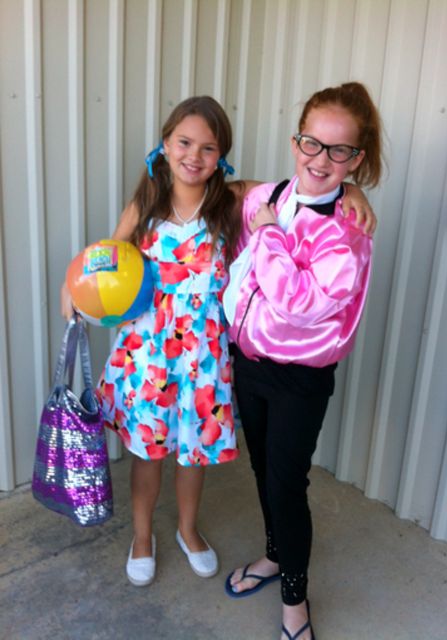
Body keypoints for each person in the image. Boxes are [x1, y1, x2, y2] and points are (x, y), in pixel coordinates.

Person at [60, 95, 376, 590]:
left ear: (221, 158)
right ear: (165, 145)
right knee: (148, 453)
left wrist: (352, 188)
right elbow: (107, 255)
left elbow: (302, 186)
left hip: (204, 356)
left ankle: (187, 529)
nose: (194, 156)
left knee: (195, 452)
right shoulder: (146, 204)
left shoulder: (230, 201)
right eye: (184, 143)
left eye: (208, 148)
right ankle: (141, 536)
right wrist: (72, 283)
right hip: (149, 354)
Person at [224, 82, 383, 640]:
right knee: (263, 471)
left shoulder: (349, 231)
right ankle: (274, 556)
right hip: (249, 362)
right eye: (312, 143)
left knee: (287, 485)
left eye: (339, 150)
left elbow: (297, 302)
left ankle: (295, 601)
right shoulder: (268, 196)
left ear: (356, 158)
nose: (321, 159)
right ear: (296, 143)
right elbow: (233, 213)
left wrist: (269, 233)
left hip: (299, 378)